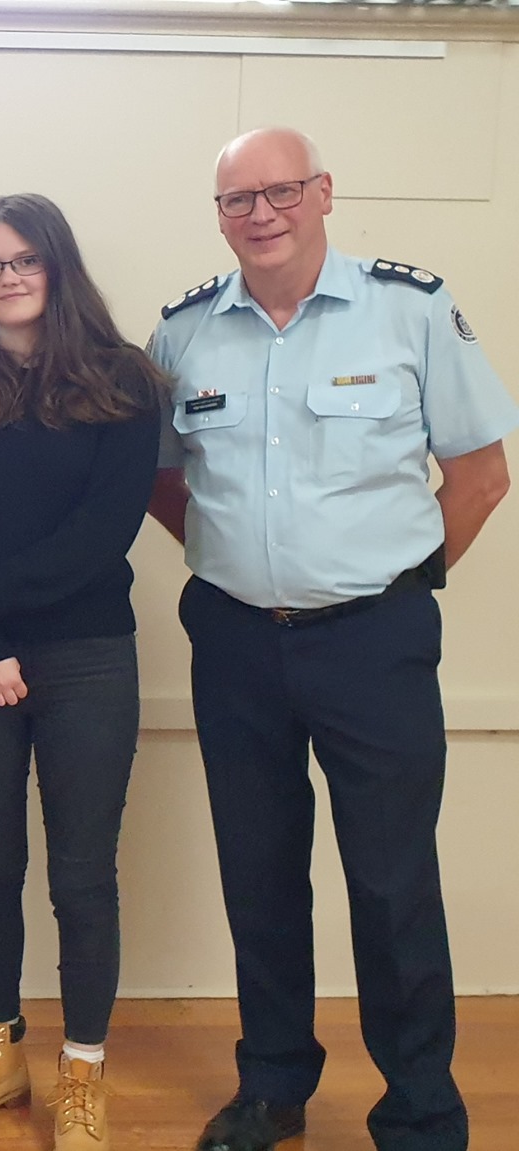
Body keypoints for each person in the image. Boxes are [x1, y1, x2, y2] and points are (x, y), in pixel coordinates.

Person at [148, 127, 514, 1151]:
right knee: (257, 873)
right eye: (237, 199)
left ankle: (419, 1108)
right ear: (219, 216)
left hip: (372, 644)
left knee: (392, 883)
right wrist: (240, 560)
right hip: (234, 643)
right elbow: (162, 480)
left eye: (280, 191)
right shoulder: (183, 332)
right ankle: (270, 1085)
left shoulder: (409, 309)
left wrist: (396, 581)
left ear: (322, 193)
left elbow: (480, 476)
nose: (260, 214)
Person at [0, 193, 167, 1151]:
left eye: (24, 259)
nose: (7, 277)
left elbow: (104, 531)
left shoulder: (123, 378)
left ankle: (83, 1072)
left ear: (56, 267)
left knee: (81, 874)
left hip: (88, 654)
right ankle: (0, 1053)